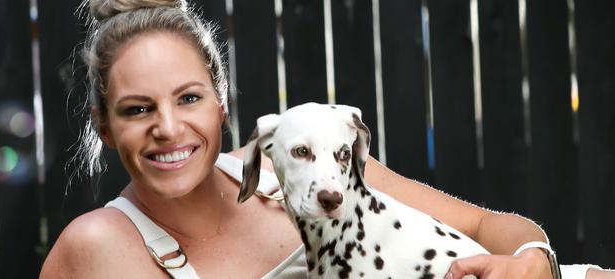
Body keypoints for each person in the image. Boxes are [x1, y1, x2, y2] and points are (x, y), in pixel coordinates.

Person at [40, 0, 610, 278]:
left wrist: (535, 259)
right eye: (138, 109)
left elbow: (488, 227)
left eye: (187, 98)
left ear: (221, 104)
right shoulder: (100, 246)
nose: (167, 127)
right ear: (104, 127)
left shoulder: (304, 167)